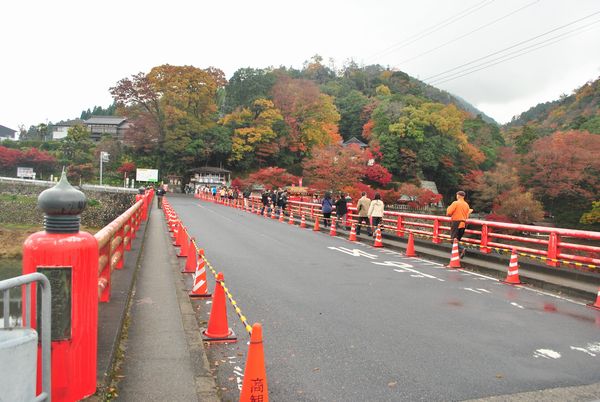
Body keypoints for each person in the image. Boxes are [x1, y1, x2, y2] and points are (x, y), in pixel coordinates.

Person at [446, 190, 473, 258]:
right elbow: (467, 215)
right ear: (463, 197)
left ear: (458, 196)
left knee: (453, 240)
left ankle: (462, 249)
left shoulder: (455, 203)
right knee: (457, 240)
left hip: (456, 222)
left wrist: (448, 208)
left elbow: (449, 213)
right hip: (463, 223)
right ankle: (458, 255)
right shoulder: (466, 205)